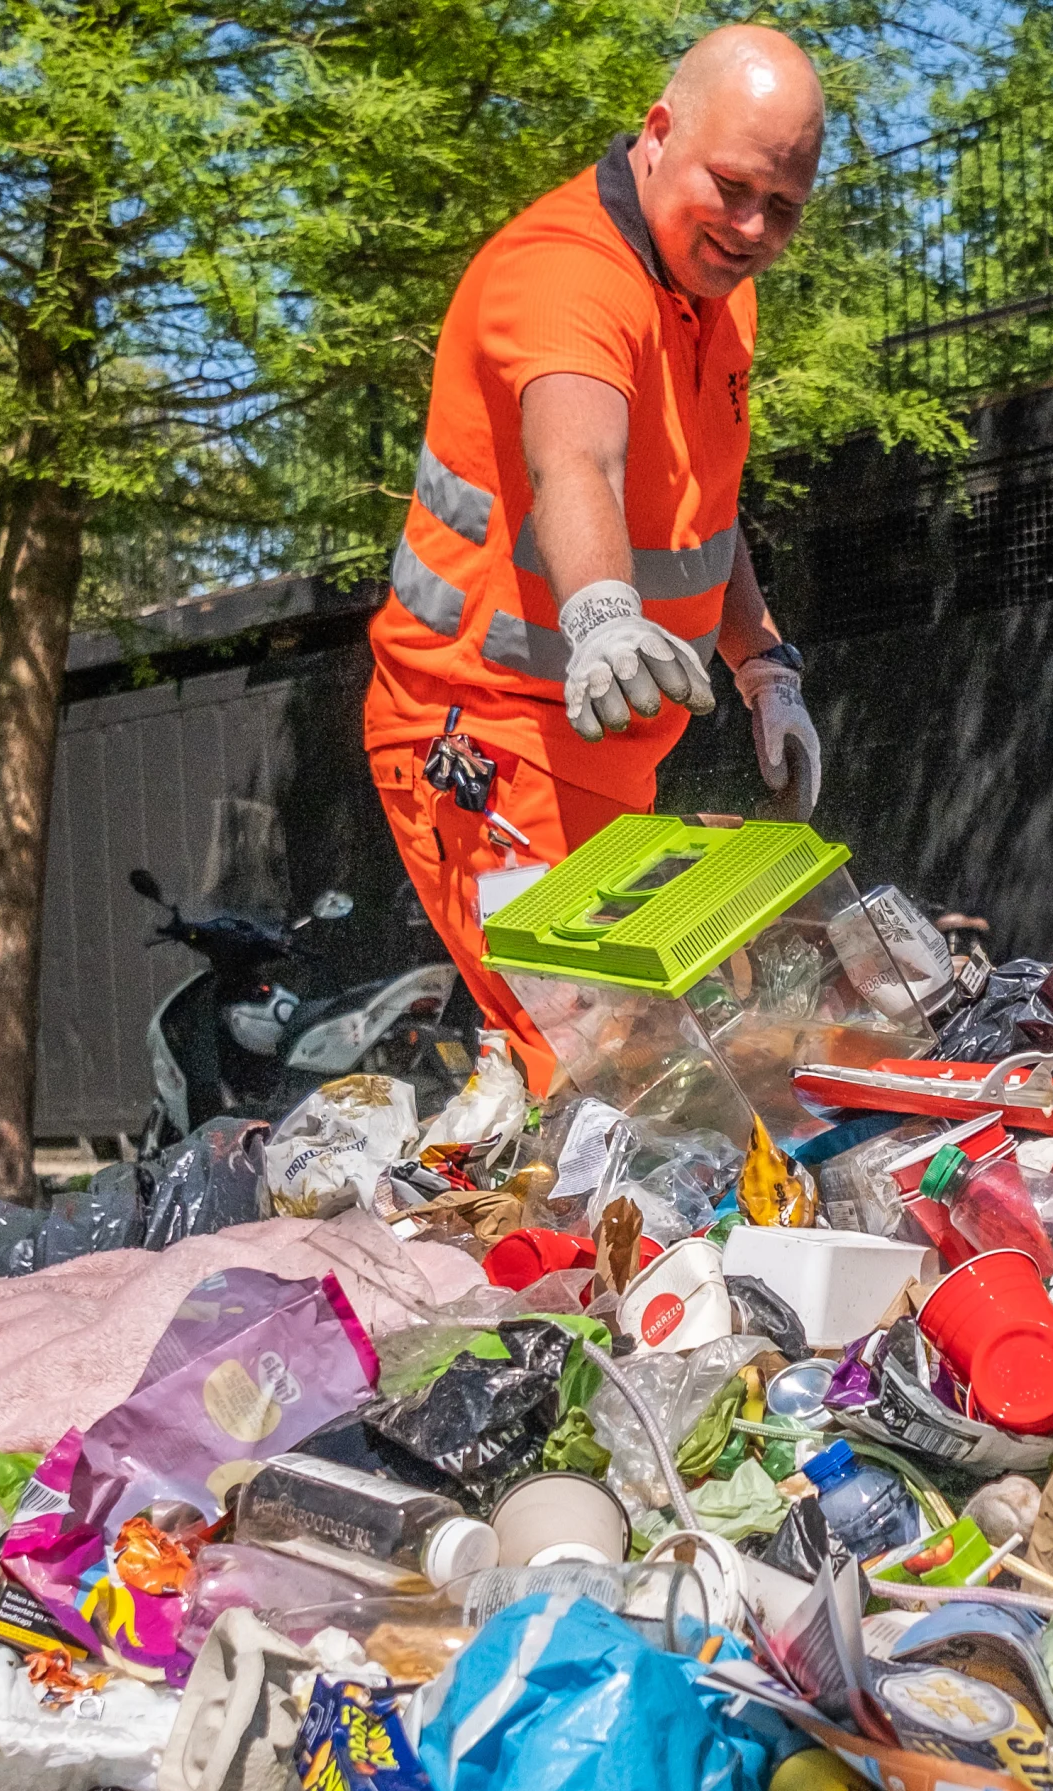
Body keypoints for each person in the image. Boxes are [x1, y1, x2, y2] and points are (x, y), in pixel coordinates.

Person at [363, 27, 830, 1081]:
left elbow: (702, 506)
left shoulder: (715, 289)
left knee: (639, 1062)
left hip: (604, 757)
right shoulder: (566, 273)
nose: (753, 229)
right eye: (734, 186)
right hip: (480, 742)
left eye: (785, 208)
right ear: (660, 133)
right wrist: (603, 617)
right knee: (592, 1065)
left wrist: (763, 666)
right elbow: (581, 460)